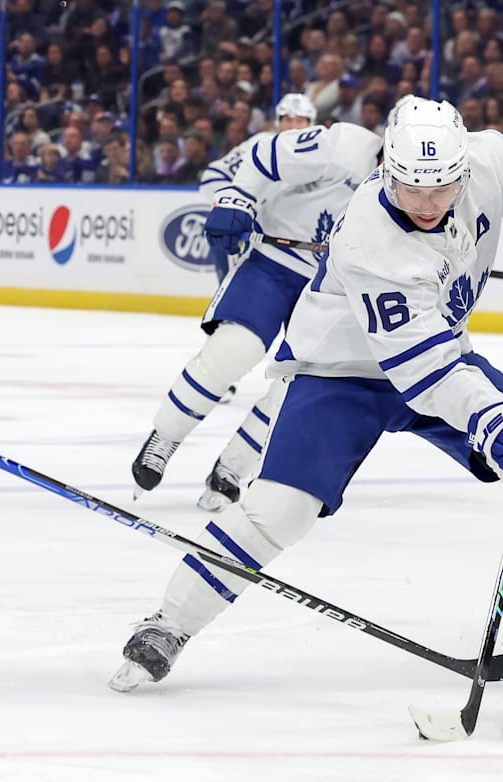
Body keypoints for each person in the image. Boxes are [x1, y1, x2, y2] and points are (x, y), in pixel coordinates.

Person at [110, 95, 503, 693]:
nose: (428, 205)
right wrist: (496, 425)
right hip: (341, 370)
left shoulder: (489, 161)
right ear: (387, 169)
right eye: (411, 189)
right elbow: (425, 373)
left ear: (462, 169)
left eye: (442, 189)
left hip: (439, 352)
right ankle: (170, 623)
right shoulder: (368, 239)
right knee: (280, 511)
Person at [130, 93, 381, 513]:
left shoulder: (429, 193)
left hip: (330, 286)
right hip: (274, 261)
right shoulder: (343, 146)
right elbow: (260, 157)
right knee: (233, 350)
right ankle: (166, 437)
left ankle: (232, 468)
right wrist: (237, 200)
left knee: (295, 386)